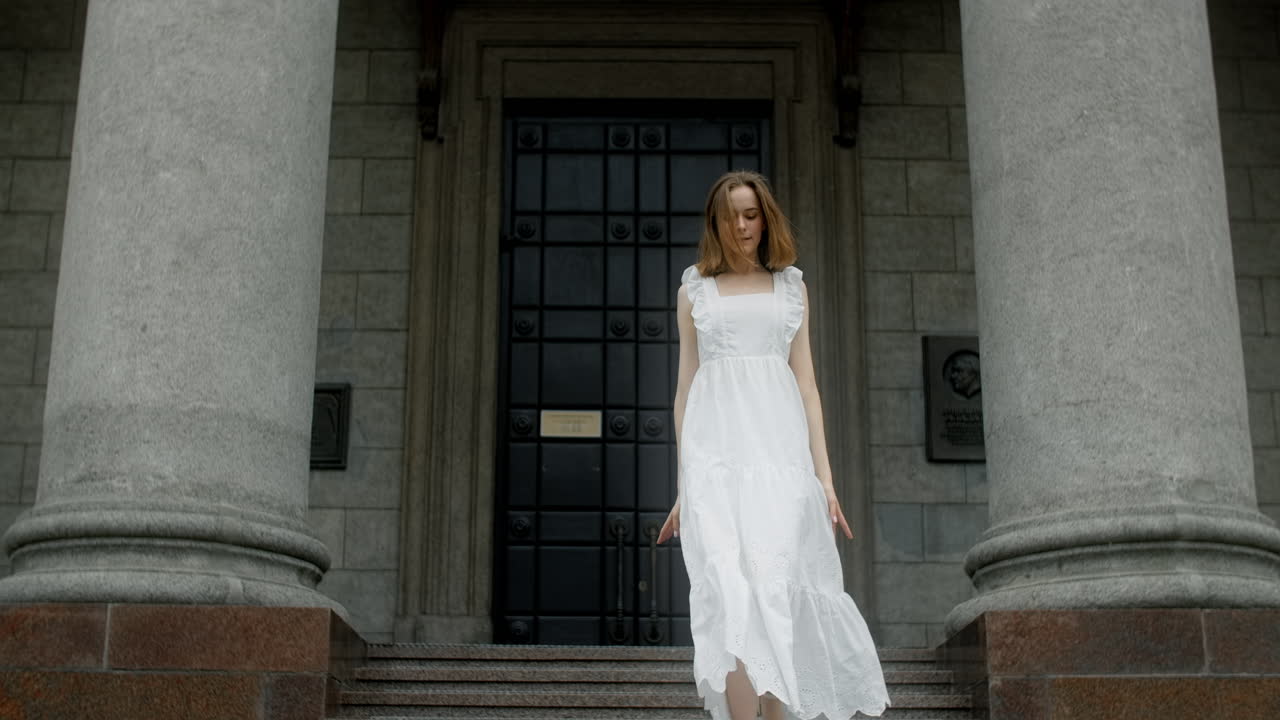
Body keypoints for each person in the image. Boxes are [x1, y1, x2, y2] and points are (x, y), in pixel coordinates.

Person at [657, 171, 890, 720]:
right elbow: (685, 391)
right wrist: (684, 487)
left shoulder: (791, 289)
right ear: (715, 222)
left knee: (776, 590)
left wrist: (825, 479)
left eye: (751, 213)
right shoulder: (695, 293)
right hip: (715, 467)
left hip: (781, 465)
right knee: (730, 596)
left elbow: (807, 385)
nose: (742, 225)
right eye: (731, 215)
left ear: (766, 218)